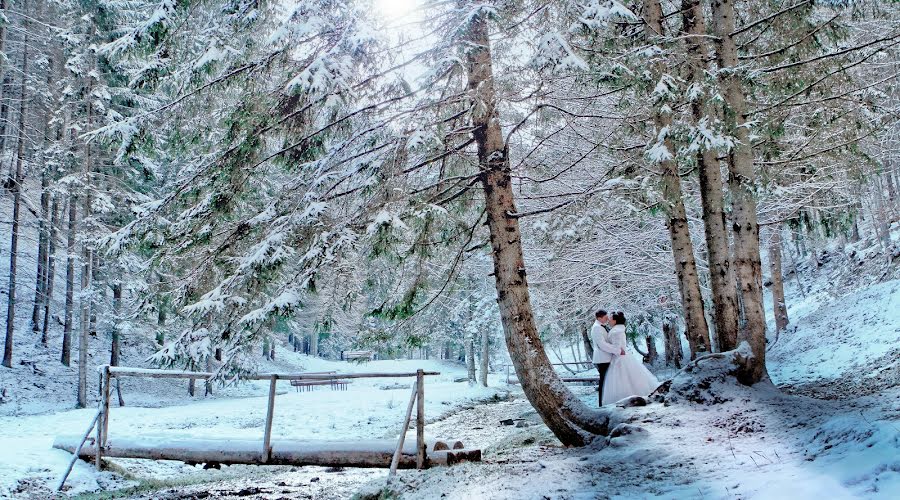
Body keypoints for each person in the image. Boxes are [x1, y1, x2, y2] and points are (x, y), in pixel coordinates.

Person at [601, 311, 661, 406]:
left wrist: (611, 349)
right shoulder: (618, 330)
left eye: (611, 318)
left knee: (622, 379)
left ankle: (627, 398)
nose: (609, 320)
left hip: (619, 358)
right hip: (621, 357)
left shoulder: (616, 331)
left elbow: (618, 347)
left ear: (615, 320)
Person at [590, 309, 625, 407]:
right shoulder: (597, 328)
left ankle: (606, 403)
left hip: (606, 357)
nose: (607, 319)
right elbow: (602, 345)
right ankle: (602, 404)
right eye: (605, 318)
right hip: (602, 358)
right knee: (604, 382)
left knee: (607, 382)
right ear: (599, 318)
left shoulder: (601, 327)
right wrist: (618, 351)